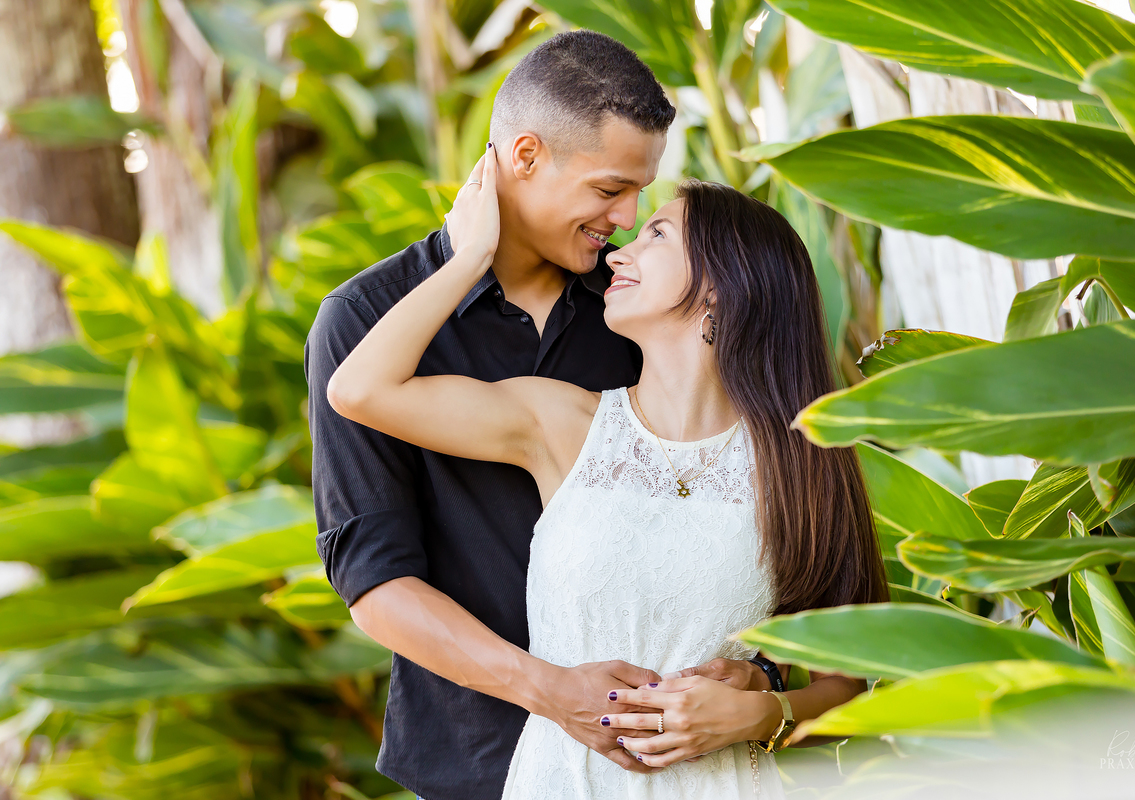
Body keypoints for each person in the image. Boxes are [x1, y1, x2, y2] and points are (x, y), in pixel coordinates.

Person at [325, 134, 890, 798]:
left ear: (721, 288)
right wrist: (469, 254)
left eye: (655, 235)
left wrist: (766, 710)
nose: (620, 250)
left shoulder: (806, 461)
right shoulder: (562, 424)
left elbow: (851, 676)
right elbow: (358, 391)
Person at [306, 30, 783, 800]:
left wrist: (761, 676)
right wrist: (549, 688)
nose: (627, 219)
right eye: (609, 190)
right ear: (524, 157)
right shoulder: (365, 323)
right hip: (474, 759)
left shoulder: (637, 313)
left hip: (661, 764)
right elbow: (375, 581)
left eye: (640, 194)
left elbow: (733, 509)